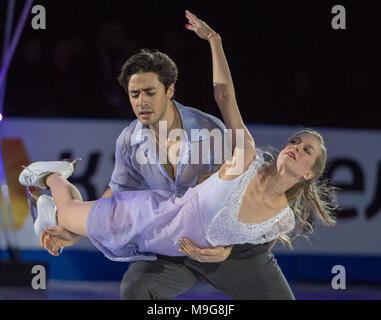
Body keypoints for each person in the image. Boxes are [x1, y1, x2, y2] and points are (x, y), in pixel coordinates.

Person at [19, 11, 337, 300]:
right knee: (131, 283)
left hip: (215, 247)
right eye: (134, 94)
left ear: (170, 90)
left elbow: (258, 238)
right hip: (161, 226)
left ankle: (53, 190)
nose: (141, 102)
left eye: (149, 92)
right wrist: (80, 228)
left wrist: (225, 249)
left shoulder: (214, 136)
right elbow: (116, 195)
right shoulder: (136, 140)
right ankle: (52, 182)